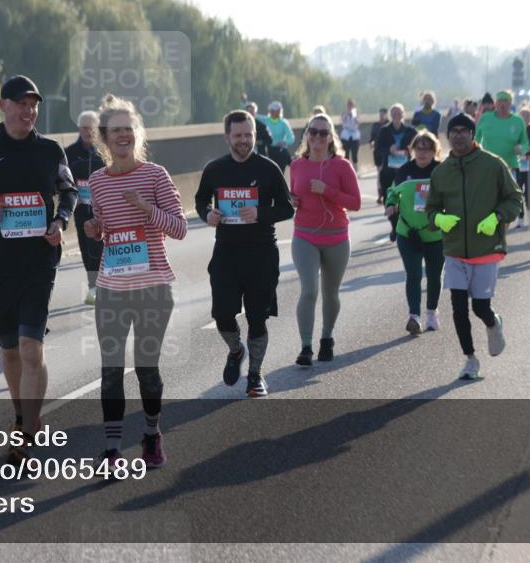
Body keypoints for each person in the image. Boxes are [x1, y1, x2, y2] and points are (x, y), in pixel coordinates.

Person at [0, 75, 77, 461]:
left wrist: (61, 222)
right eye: (21, 103)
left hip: (39, 262)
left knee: (30, 346)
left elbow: (68, 191)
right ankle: (25, 416)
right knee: (8, 349)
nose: (29, 111)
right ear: (3, 105)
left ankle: (25, 431)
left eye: (34, 104)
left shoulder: (51, 150)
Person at [84, 94, 186, 468]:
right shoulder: (97, 181)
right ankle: (112, 449)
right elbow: (105, 228)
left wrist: (147, 209)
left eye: (129, 128)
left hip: (153, 287)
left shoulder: (156, 175)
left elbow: (179, 229)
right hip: (112, 289)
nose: (123, 135)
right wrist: (94, 229)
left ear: (137, 134)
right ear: (104, 138)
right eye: (116, 130)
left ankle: (151, 434)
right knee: (110, 370)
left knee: (146, 368)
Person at [195, 110, 294, 397]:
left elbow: (287, 208)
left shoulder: (268, 168)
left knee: (257, 318)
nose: (244, 140)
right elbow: (201, 199)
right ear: (227, 137)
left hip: (261, 253)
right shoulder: (215, 169)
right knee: (223, 315)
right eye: (237, 135)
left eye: (248, 135)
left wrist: (261, 213)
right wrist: (207, 214)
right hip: (226, 252)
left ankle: (255, 375)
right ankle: (236, 350)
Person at [425, 113, 523, 380]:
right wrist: (438, 219)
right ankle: (470, 359)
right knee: (458, 307)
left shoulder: (493, 165)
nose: (458, 135)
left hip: (486, 248)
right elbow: (430, 209)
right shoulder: (441, 172)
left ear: (472, 134)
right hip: (455, 249)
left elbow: (515, 199)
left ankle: (493, 322)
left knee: (480, 307)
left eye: (463, 130)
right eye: (453, 131)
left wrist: (498, 217)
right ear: (448, 136)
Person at [289, 113, 361, 366]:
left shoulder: (342, 166)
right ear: (306, 135)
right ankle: (306, 346)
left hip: (336, 237)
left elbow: (356, 203)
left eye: (323, 133)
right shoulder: (297, 165)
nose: (317, 137)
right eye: (313, 132)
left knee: (330, 293)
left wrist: (328, 191)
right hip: (304, 236)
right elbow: (293, 194)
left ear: (331, 138)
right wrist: (292, 200)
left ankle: (327, 338)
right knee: (309, 290)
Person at [384, 132, 445, 334]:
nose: (421, 152)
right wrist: (391, 205)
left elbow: (453, 195)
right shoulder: (404, 170)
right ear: (413, 150)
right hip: (408, 233)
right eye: (418, 148)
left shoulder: (441, 171)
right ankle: (414, 316)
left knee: (434, 275)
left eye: (426, 148)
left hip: (435, 233)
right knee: (414, 274)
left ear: (434, 151)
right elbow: (392, 193)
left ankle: (431, 312)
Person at [66, 110, 105, 305]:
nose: (88, 131)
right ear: (79, 129)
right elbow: (63, 180)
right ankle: (93, 286)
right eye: (84, 128)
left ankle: (104, 285)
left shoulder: (106, 151)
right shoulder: (70, 152)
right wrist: (72, 195)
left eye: (91, 128)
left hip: (104, 208)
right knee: (85, 246)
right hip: (81, 207)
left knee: (101, 245)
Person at [476, 90, 529, 230]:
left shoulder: (518, 121)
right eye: (500, 101)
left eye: (506, 101)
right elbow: (475, 140)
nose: (503, 104)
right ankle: (491, 230)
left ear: (510, 103)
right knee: (488, 201)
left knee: (507, 203)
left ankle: (502, 235)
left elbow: (525, 143)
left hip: (510, 166)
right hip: (488, 166)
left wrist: (521, 148)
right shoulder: (485, 118)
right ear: (495, 103)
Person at [375, 104, 418, 239]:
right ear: (390, 115)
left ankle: (407, 225)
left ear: (403, 115)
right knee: (389, 199)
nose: (396, 115)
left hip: (407, 170)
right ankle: (394, 226)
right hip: (388, 170)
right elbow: (378, 150)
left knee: (406, 200)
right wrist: (389, 150)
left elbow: (419, 148)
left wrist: (409, 151)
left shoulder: (411, 131)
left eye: (398, 113)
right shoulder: (384, 131)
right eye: (393, 113)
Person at [261, 101, 296, 174]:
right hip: (268, 150)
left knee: (282, 170)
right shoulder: (265, 120)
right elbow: (253, 116)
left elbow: (291, 138)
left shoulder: (283, 122)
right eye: (271, 110)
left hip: (280, 151)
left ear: (279, 111)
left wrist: (285, 142)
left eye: (273, 110)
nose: (271, 112)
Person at [370, 107, 390, 203]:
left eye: (383, 114)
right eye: (380, 114)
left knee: (385, 173)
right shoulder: (375, 125)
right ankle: (380, 195)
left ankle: (385, 193)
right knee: (379, 173)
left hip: (387, 152)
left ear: (386, 115)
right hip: (377, 152)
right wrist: (371, 142)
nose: (381, 116)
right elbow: (372, 137)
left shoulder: (389, 125)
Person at [339, 98, 361, 167]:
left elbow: (358, 122)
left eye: (352, 104)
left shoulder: (356, 113)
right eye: (349, 104)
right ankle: (346, 169)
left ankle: (355, 170)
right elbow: (343, 120)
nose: (350, 106)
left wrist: (354, 116)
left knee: (354, 154)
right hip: (346, 135)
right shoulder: (344, 112)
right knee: (346, 154)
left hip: (354, 135)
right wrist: (347, 113)